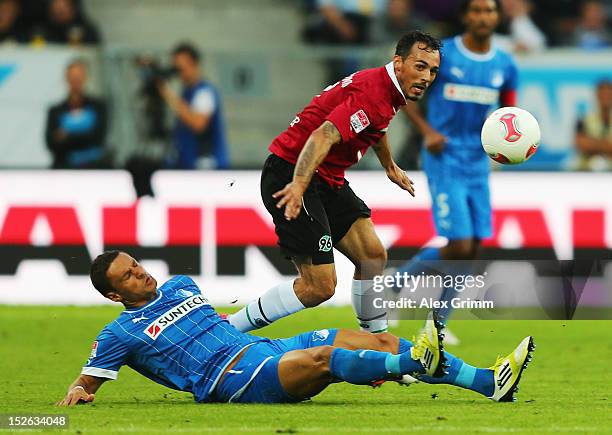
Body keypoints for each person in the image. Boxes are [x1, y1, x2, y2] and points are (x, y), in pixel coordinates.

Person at [56, 251, 534, 406]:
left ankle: (490, 383)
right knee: (325, 362)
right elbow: (88, 379)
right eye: (128, 276)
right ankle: (411, 362)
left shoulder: (181, 284)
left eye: (136, 265)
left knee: (373, 337)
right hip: (232, 380)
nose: (141, 273)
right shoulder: (120, 332)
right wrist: (78, 394)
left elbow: (216, 323)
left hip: (261, 348)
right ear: (114, 294)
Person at [228, 31, 440, 335]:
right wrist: (299, 185)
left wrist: (389, 165)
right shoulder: (375, 94)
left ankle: (377, 343)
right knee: (319, 287)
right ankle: (229, 329)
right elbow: (323, 135)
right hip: (291, 172)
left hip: (325, 178)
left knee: (372, 256)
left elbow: (375, 126)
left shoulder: (388, 90)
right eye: (420, 66)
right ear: (398, 63)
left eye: (432, 70)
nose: (427, 76)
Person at [393, 0, 518, 339]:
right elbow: (403, 92)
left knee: (475, 245)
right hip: (444, 157)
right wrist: (428, 132)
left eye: (489, 10)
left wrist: (510, 145)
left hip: (478, 162)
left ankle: (437, 325)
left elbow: (509, 114)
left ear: (497, 17)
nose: (482, 17)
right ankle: (393, 285)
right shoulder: (444, 55)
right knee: (460, 244)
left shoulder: (505, 64)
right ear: (465, 16)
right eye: (476, 10)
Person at [158, 42, 229, 170]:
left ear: (193, 64)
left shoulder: (205, 92)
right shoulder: (187, 93)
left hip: (206, 165)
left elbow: (198, 123)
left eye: (180, 68)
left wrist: (167, 93)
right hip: (189, 163)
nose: (178, 72)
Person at [45, 60, 109, 169]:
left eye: (79, 76)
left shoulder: (98, 107)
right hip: (64, 168)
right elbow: (51, 143)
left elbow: (98, 137)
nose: (75, 80)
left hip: (94, 169)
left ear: (85, 77)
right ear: (66, 78)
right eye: (72, 76)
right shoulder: (55, 110)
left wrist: (66, 136)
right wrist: (84, 135)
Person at [575, 79, 612, 171]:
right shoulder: (584, 120)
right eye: (602, 93)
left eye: (608, 94)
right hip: (587, 171)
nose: (605, 97)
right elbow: (581, 144)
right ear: (597, 95)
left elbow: (586, 143)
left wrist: (592, 143)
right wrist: (606, 145)